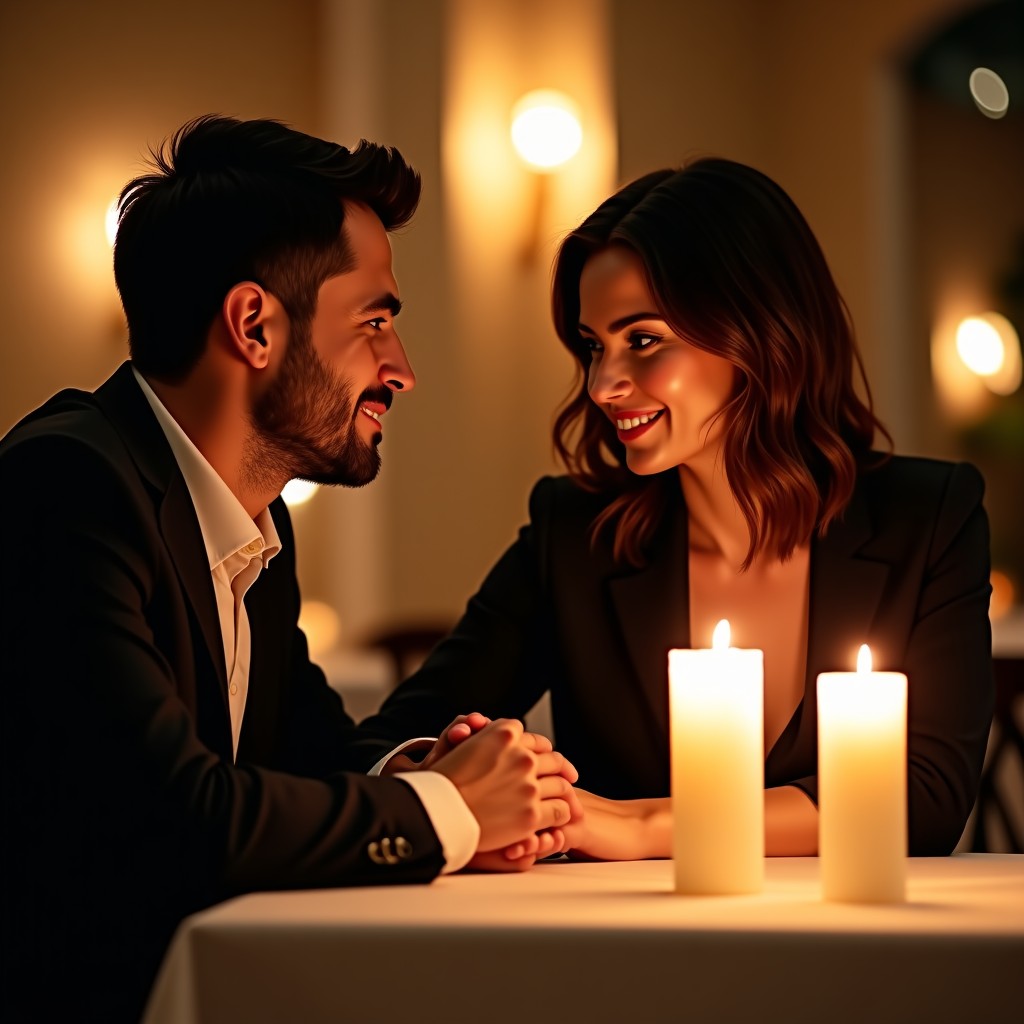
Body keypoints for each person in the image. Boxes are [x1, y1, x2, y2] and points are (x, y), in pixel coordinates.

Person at [0, 115, 578, 1023]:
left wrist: (427, 765)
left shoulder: (252, 523)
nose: (402, 370)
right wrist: (447, 810)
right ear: (254, 326)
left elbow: (304, 758)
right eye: (375, 322)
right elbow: (174, 821)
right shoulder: (67, 488)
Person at [354, 157, 995, 862]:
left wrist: (637, 826)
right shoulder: (574, 536)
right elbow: (385, 742)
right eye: (594, 347)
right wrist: (449, 772)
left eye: (643, 340)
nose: (602, 384)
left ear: (759, 330)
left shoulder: (928, 518)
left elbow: (926, 798)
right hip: (633, 933)